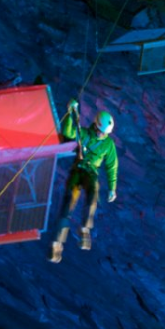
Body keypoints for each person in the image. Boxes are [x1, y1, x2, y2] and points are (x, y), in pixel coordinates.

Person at [48, 99, 118, 263]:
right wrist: (70, 113)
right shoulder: (84, 133)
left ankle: (85, 229)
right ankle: (56, 244)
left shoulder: (108, 145)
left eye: (104, 133)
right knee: (67, 206)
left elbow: (111, 166)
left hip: (91, 173)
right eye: (100, 131)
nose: (102, 134)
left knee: (93, 191)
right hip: (77, 170)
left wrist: (112, 188)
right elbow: (68, 132)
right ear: (95, 125)